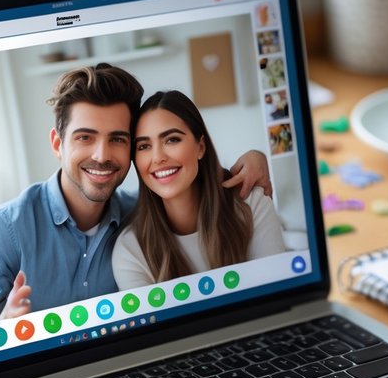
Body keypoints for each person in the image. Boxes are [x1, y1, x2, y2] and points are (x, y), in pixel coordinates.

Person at [0, 63, 271, 332]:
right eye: (85, 137)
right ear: (57, 144)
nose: (102, 155)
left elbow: (193, 188)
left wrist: (255, 158)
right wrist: (2, 331)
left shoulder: (141, 216)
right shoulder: (4, 229)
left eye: (118, 139)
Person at [112, 90, 287, 289]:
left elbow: (276, 294)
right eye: (144, 146)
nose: (157, 157)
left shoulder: (251, 204)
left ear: (201, 147)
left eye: (172, 140)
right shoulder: (130, 250)